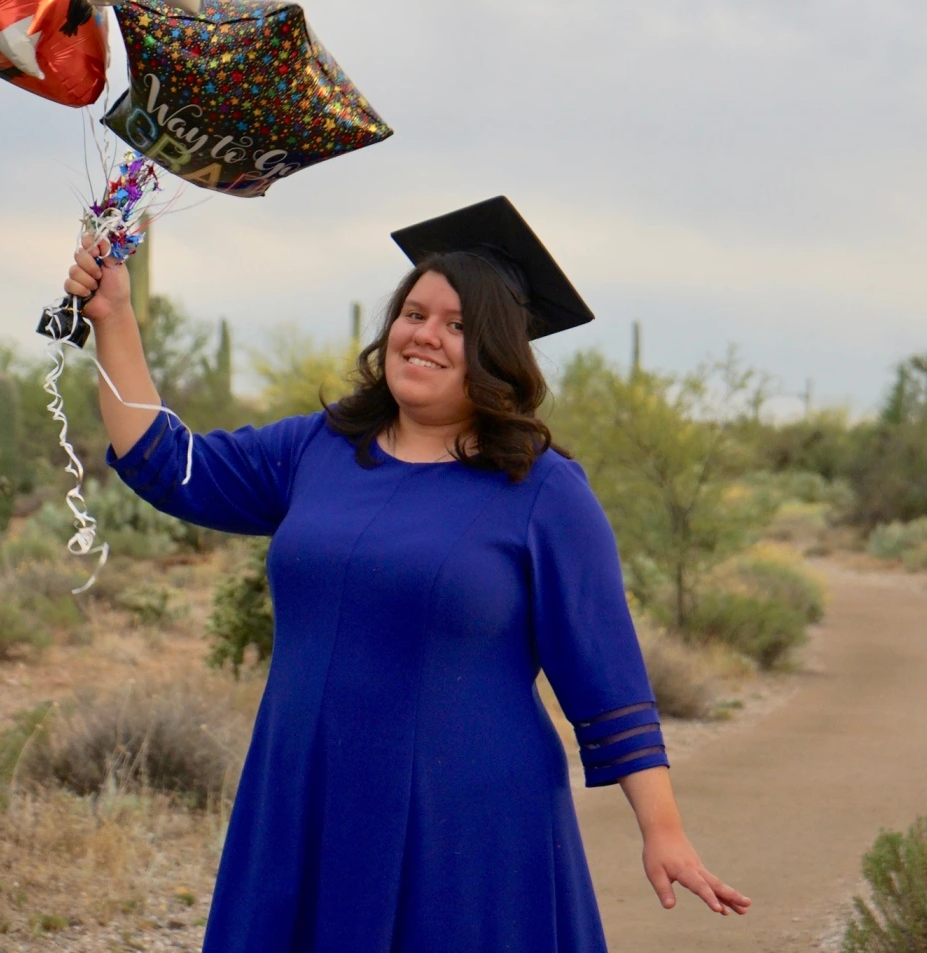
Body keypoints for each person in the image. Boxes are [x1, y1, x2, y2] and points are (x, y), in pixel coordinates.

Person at [63, 195, 750, 953]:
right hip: (306, 792)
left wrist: (664, 831)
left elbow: (608, 682)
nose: (426, 335)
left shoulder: (544, 491)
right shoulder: (317, 449)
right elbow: (168, 466)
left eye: (457, 325)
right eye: (414, 313)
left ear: (497, 352)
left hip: (464, 823)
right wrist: (114, 316)